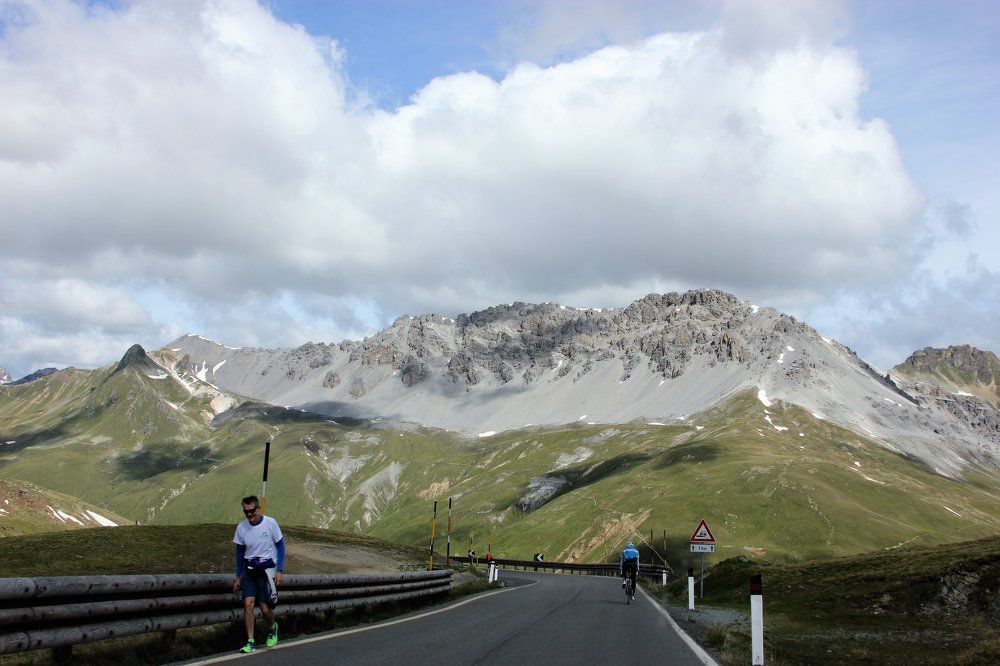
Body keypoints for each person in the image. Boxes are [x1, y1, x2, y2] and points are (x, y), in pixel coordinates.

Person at [232, 495, 285, 653]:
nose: (249, 514)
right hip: (249, 570)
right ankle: (250, 641)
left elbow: (281, 546)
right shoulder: (241, 528)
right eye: (245, 511)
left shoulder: (270, 523)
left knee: (264, 608)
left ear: (258, 509)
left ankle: (272, 626)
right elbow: (240, 554)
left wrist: (279, 571)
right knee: (248, 604)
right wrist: (238, 576)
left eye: (251, 511)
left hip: (267, 571)